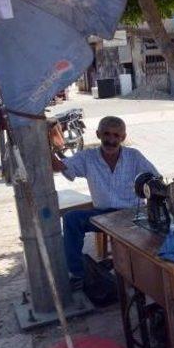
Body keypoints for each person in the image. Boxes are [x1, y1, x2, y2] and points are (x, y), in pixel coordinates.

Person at [52, 116, 158, 289]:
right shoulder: (88, 157)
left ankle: (139, 272)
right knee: (71, 219)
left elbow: (155, 179)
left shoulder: (134, 156)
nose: (111, 140)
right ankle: (78, 274)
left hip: (131, 214)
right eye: (107, 134)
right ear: (98, 134)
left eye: (116, 136)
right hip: (103, 216)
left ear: (123, 138)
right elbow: (60, 166)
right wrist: (47, 145)